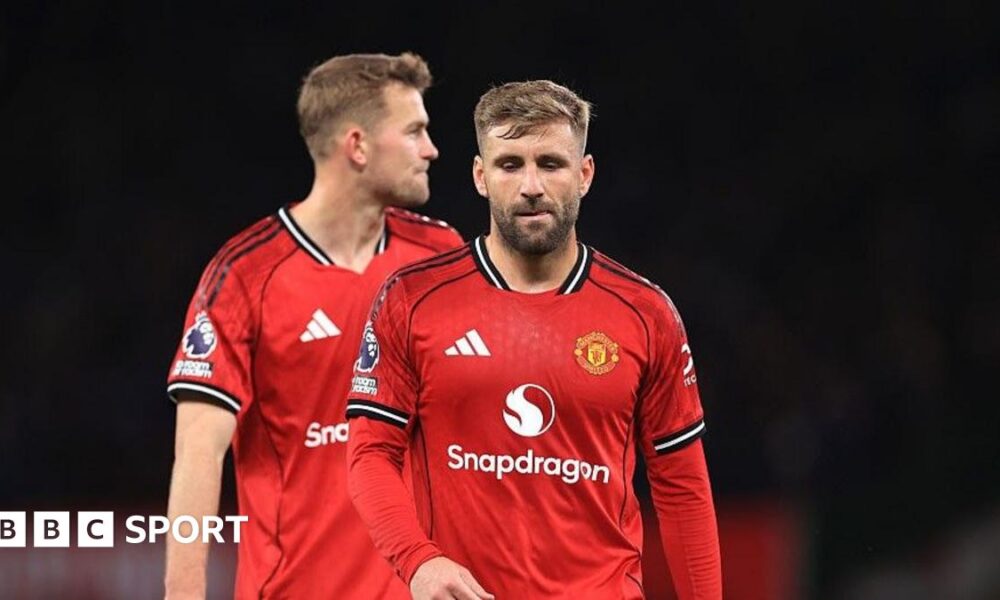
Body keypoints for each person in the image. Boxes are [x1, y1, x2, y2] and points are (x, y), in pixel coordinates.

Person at [346, 80, 722, 599]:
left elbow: (682, 488)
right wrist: (419, 562)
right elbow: (369, 455)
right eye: (509, 164)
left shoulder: (645, 313)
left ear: (584, 174)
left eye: (550, 163)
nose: (531, 186)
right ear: (481, 176)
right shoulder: (412, 301)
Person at [163, 52, 463, 599]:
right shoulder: (245, 275)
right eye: (415, 131)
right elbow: (198, 457)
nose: (431, 149)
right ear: (357, 145)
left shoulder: (440, 257)